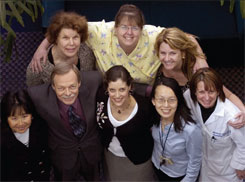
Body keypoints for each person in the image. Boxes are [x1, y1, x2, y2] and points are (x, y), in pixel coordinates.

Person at [30, 4, 207, 85]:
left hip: (145, 89)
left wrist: (200, 58)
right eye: (124, 27)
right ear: (115, 28)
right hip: (111, 90)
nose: (129, 33)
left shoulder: (152, 34)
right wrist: (42, 47)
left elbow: (188, 38)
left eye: (134, 28)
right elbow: (64, 26)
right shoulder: (102, 32)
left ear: (142, 28)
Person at [154, 27, 245, 128]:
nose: (167, 58)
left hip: (199, 122)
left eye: (172, 53)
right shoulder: (156, 71)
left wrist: (243, 111)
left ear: (183, 54)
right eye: (163, 53)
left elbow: (228, 94)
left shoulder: (196, 70)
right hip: (170, 123)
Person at [27, 62, 102, 181]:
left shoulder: (95, 80)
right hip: (62, 155)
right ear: (53, 86)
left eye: (72, 86)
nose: (67, 93)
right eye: (61, 88)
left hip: (91, 151)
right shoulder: (37, 95)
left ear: (79, 83)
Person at [184, 67, 245, 181]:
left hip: (228, 173)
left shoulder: (232, 115)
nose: (206, 98)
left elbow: (243, 144)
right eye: (201, 92)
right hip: (204, 169)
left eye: (211, 91)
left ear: (218, 91)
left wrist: (240, 166)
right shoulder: (189, 98)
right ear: (194, 92)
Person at [96, 65, 154, 181]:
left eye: (122, 89)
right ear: (106, 88)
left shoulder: (144, 108)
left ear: (130, 87)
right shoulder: (101, 98)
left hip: (137, 160)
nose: (117, 96)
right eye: (112, 90)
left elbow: (152, 130)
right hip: (111, 156)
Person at [151, 76, 202, 181]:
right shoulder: (153, 119)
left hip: (178, 175)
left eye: (171, 100)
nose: (166, 105)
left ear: (178, 101)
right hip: (157, 167)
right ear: (153, 101)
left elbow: (195, 161)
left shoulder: (190, 129)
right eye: (160, 100)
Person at [26, 11, 96, 86]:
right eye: (65, 38)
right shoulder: (38, 66)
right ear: (56, 39)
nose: (71, 43)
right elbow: (33, 94)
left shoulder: (87, 53)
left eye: (75, 37)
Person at [1, 90, 51, 181]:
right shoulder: (2, 140)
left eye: (24, 116)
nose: (21, 123)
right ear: (6, 119)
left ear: (32, 115)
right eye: (14, 118)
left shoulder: (41, 127)